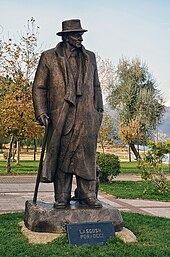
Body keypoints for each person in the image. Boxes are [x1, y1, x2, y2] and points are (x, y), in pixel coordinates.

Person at [32, 19, 103, 208]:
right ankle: (61, 196)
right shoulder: (49, 57)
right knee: (63, 155)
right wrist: (41, 112)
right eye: (76, 34)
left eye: (81, 34)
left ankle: (87, 195)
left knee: (86, 156)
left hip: (87, 115)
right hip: (61, 115)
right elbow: (39, 87)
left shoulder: (90, 57)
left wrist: (99, 111)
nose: (80, 38)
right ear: (65, 37)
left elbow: (96, 85)